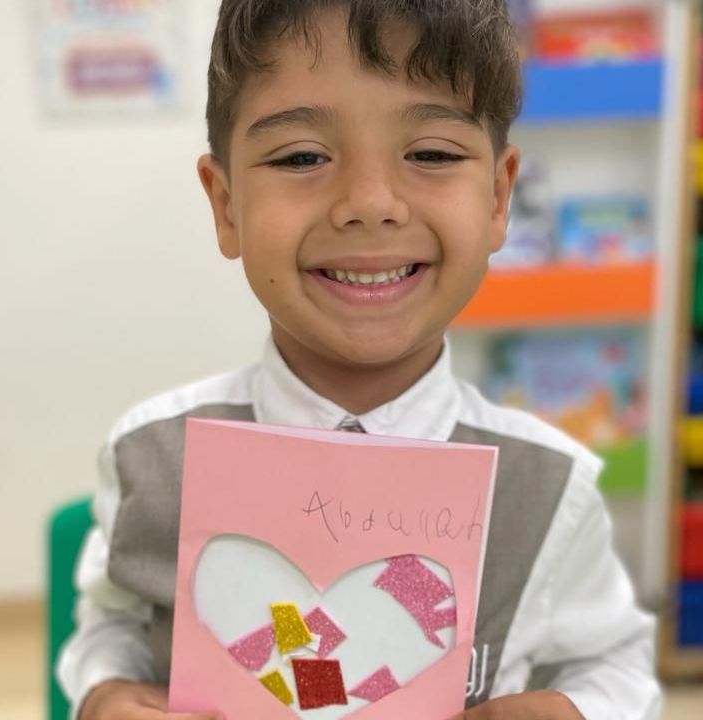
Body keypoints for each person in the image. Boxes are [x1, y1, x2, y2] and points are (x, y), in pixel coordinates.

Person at [57, 1, 662, 719]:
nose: (370, 204)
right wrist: (103, 691)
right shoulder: (150, 456)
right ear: (225, 205)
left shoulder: (551, 485)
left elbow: (615, 661)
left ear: (499, 196)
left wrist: (575, 710)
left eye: (431, 154)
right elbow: (112, 624)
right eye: (303, 157)